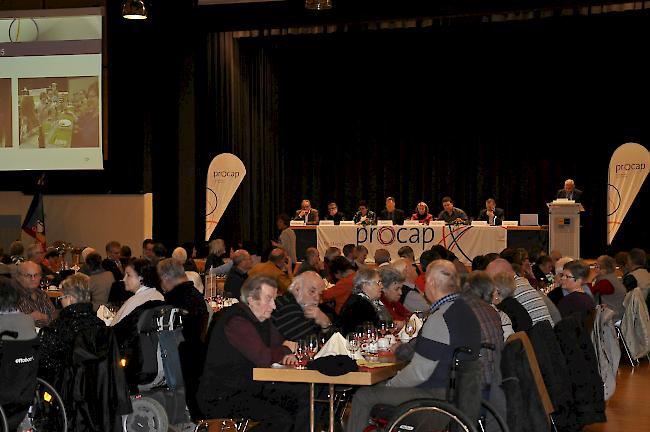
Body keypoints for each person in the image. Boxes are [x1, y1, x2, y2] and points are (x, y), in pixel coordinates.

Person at [346, 260, 481, 432]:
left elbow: (419, 373)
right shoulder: (465, 311)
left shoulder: (441, 318)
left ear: (431, 283)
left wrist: (390, 385)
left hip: (433, 397)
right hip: (458, 394)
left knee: (363, 396)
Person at [197, 276, 308, 431]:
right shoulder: (236, 321)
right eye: (269, 299)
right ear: (251, 300)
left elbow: (278, 345)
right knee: (280, 418)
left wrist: (285, 353)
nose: (274, 306)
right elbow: (264, 358)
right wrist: (286, 350)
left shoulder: (261, 319)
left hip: (248, 387)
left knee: (304, 396)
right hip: (223, 395)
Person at [157, 258, 209, 417]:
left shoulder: (173, 301)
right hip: (198, 359)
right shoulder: (197, 296)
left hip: (180, 364)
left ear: (166, 278)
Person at [272, 271, 335, 341]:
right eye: (312, 291)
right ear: (297, 289)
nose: (317, 298)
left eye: (320, 294)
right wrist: (325, 323)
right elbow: (310, 346)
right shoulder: (290, 310)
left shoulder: (291, 302)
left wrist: (325, 322)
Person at [110, 258, 164, 325]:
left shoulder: (135, 301)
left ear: (141, 277)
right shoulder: (158, 295)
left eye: (128, 275)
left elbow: (114, 326)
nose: (124, 279)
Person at [339, 268, 391, 335]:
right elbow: (372, 332)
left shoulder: (370, 301)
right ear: (365, 285)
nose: (382, 286)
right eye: (378, 283)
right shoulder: (359, 305)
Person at [13, 261, 54, 328]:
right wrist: (46, 317)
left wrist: (41, 316)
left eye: (36, 275)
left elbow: (54, 317)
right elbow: (23, 323)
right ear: (18, 277)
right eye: (28, 275)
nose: (33, 279)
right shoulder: (14, 296)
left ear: (40, 277)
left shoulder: (42, 294)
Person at [590, 255, 626, 321]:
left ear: (603, 271)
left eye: (596, 266)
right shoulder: (612, 278)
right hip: (618, 313)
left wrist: (590, 279)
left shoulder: (605, 282)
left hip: (612, 318)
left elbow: (588, 296)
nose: (593, 269)